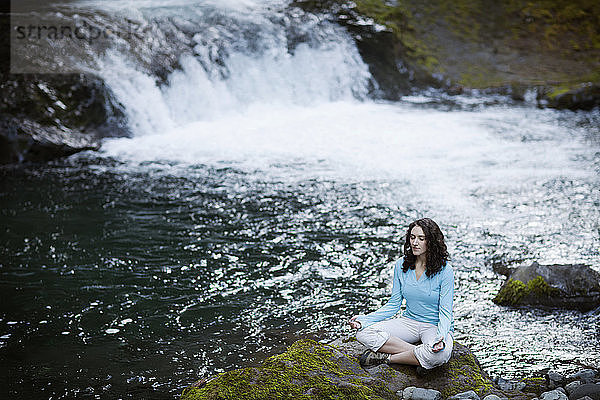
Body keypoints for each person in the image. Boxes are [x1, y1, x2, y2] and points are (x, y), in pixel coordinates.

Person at [347, 218, 454, 370]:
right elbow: (394, 304)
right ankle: (418, 356)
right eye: (412, 237)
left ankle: (389, 359)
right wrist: (365, 320)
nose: (415, 243)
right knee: (363, 333)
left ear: (432, 241)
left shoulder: (445, 270)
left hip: (434, 325)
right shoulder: (401, 265)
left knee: (441, 354)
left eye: (421, 238)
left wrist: (441, 337)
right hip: (409, 322)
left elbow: (445, 311)